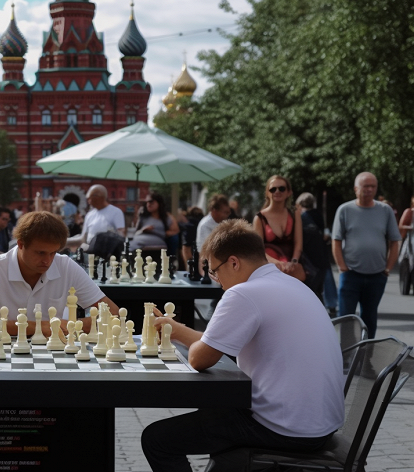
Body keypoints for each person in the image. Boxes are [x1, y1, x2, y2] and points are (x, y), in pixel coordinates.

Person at [141, 219, 344, 471]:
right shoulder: (290, 284)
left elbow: (199, 359)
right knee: (214, 411)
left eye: (214, 271)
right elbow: (214, 343)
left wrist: (180, 334)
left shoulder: (244, 293)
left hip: (285, 428)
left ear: (234, 262)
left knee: (156, 439)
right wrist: (177, 331)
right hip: (320, 425)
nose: (217, 281)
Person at [0, 210, 120, 338]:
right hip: (4, 356)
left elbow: (114, 314)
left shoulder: (65, 266)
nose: (47, 261)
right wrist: (39, 327)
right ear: (21, 244)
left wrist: (73, 324)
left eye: (53, 253)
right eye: (40, 253)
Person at [332, 172, 400, 338]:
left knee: (370, 318)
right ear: (356, 189)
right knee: (346, 318)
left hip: (377, 274)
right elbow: (336, 240)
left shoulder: (385, 210)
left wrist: (387, 268)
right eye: (366, 186)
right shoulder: (345, 210)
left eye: (373, 186)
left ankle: (366, 356)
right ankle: (345, 356)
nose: (369, 189)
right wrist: (342, 267)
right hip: (351, 274)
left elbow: (395, 241)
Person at [252, 175, 307, 282]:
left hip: (291, 269)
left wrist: (294, 262)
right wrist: (279, 264)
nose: (277, 191)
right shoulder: (259, 218)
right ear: (267, 193)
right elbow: (258, 250)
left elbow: (298, 243)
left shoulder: (295, 213)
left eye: (281, 188)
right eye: (273, 189)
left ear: (289, 192)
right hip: (268, 270)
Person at [297, 192, 334, 313]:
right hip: (321, 255)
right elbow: (323, 234)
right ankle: (329, 306)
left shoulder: (301, 217)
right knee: (320, 287)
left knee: (309, 289)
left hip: (307, 257)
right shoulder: (318, 215)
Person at [67, 184, 125, 250]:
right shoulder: (89, 215)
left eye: (89, 198)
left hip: (108, 254)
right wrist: (65, 242)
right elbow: (83, 239)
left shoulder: (116, 212)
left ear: (98, 197)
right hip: (91, 254)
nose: (88, 201)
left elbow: (121, 236)